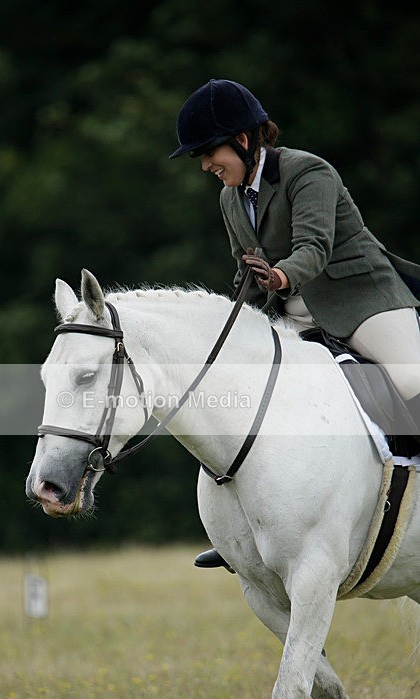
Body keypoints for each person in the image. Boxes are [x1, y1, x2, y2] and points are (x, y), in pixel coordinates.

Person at [169, 78, 420, 571]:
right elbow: (245, 269)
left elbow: (314, 247)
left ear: (243, 139)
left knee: (411, 378)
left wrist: (280, 275)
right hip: (294, 314)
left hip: (363, 300)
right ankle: (243, 533)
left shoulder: (309, 172)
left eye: (208, 152)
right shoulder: (230, 198)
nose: (205, 165)